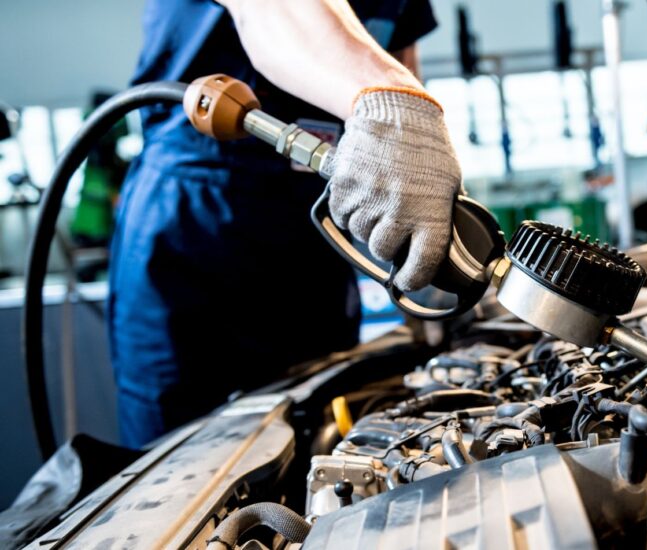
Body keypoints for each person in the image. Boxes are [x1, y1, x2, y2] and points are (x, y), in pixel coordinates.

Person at [112, 0, 461, 448]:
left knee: (321, 441)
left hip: (314, 224)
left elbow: (406, 85)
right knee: (178, 461)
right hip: (196, 223)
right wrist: (392, 103)